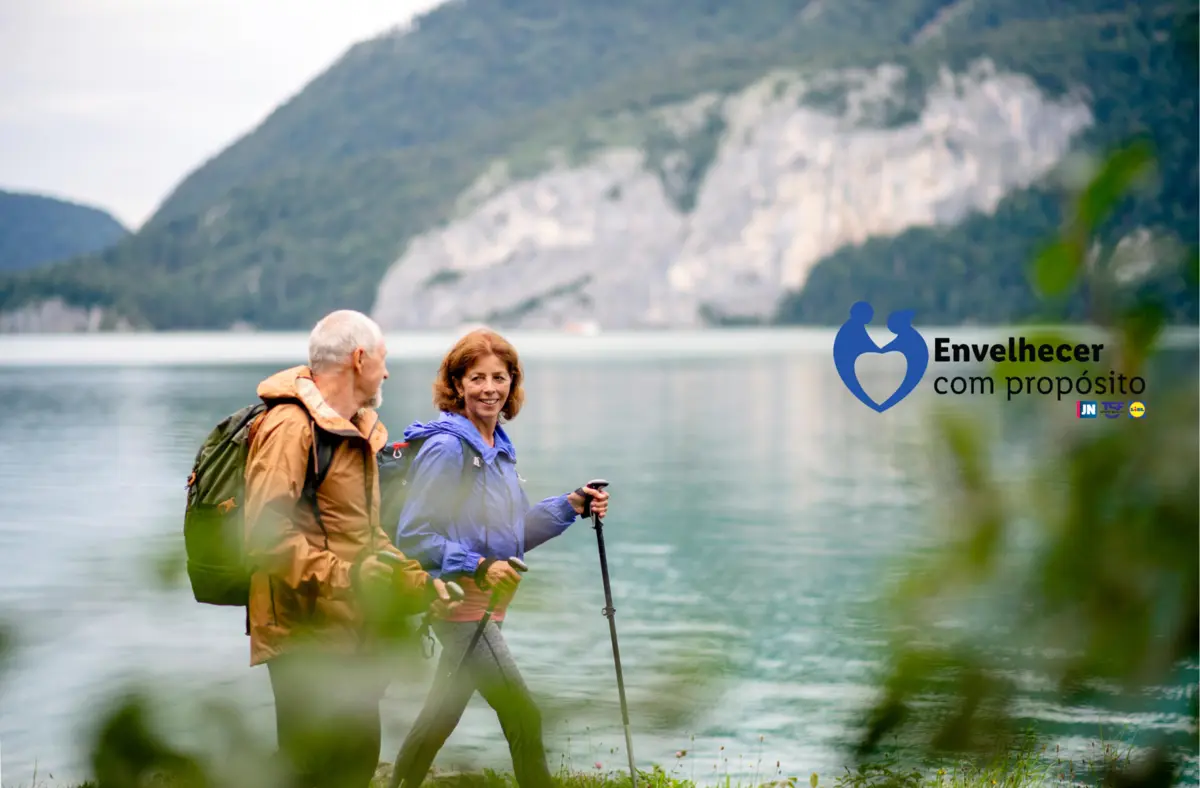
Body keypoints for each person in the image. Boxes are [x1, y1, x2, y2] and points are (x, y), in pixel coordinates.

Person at [243, 309, 458, 788]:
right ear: (359, 359)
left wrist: (420, 581)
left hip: (349, 629)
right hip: (300, 632)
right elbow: (263, 537)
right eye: (383, 360)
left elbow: (366, 536)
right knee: (311, 768)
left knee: (358, 759)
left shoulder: (353, 432)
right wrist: (349, 577)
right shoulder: (290, 429)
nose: (387, 371)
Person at [387, 327, 610, 788]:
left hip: (491, 604)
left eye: (500, 377)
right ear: (457, 385)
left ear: (512, 383)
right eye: (477, 378)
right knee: (522, 714)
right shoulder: (448, 448)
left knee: (440, 715)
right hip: (461, 605)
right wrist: (479, 566)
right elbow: (414, 534)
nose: (490, 388)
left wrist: (569, 505)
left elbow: (509, 536)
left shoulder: (499, 449)